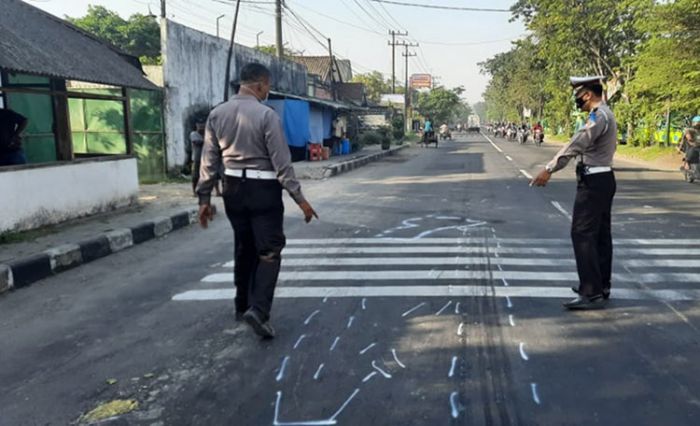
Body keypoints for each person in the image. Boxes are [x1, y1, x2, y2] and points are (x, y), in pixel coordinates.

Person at [196, 63, 318, 339]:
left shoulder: (217, 113)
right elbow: (282, 163)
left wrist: (204, 197)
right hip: (263, 189)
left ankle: (242, 306)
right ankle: (259, 310)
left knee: (244, 246)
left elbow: (208, 160)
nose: (268, 91)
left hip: (232, 189)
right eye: (268, 86)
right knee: (269, 251)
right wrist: (300, 199)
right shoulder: (267, 115)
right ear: (261, 84)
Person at [530, 76, 617, 310]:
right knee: (600, 235)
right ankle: (601, 285)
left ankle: (591, 291)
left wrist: (549, 169)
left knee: (582, 233)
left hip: (594, 182)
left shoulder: (599, 116)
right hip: (603, 178)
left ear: (588, 94)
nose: (577, 100)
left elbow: (576, 144)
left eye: (578, 95)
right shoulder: (604, 114)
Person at [190, 118, 221, 197]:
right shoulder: (194, 134)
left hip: (207, 157)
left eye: (203, 125)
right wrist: (209, 141)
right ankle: (194, 192)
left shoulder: (208, 134)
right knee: (195, 176)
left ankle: (217, 191)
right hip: (196, 159)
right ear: (196, 126)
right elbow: (197, 141)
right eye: (199, 126)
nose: (201, 127)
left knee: (213, 174)